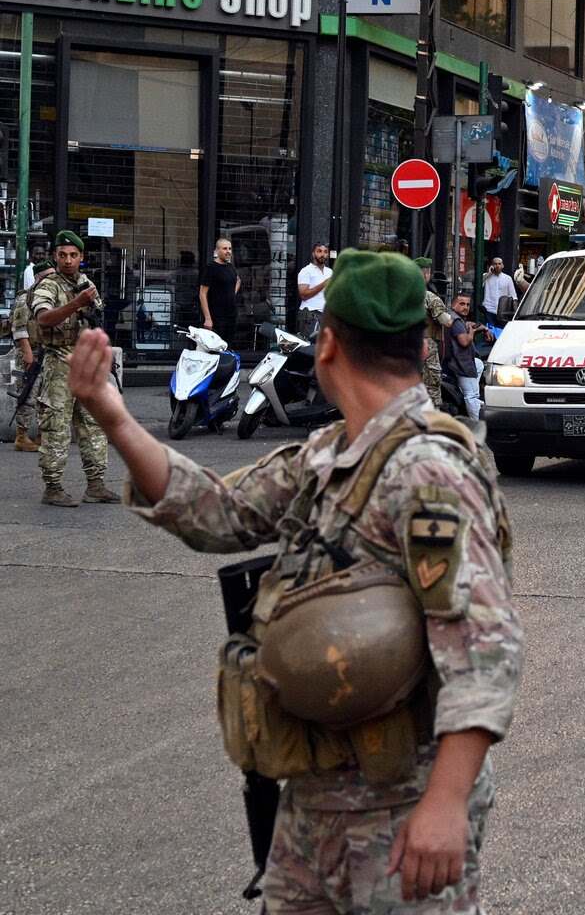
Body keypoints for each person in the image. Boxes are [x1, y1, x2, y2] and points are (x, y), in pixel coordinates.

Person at [67, 249, 524, 914]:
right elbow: (221, 513)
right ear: (418, 343)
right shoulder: (332, 452)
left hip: (400, 809)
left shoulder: (428, 470)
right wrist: (113, 414)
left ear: (329, 340)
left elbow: (485, 648)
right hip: (314, 800)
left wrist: (446, 805)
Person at [31, 231, 120, 507]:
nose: (68, 260)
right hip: (59, 363)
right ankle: (53, 488)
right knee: (56, 427)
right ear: (55, 257)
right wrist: (75, 304)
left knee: (93, 425)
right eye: (62, 255)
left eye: (73, 255)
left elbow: (96, 318)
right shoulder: (48, 286)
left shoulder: (85, 282)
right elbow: (44, 319)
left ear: (81, 258)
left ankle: (96, 485)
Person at [9, 259, 54, 451]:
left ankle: (42, 435)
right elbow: (18, 328)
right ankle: (22, 436)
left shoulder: (50, 297)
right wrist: (27, 352)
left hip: (47, 352)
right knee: (28, 392)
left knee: (47, 395)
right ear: (37, 277)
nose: (52, 280)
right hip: (30, 352)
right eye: (48, 276)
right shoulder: (25, 299)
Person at [414, 257, 454, 409]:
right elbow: (447, 321)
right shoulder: (430, 297)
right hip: (426, 344)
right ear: (426, 274)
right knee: (432, 382)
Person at [443, 292, 488, 420]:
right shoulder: (457, 321)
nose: (465, 307)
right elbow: (464, 342)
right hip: (461, 363)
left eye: (468, 304)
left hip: (461, 361)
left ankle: (471, 394)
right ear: (453, 305)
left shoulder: (455, 317)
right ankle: (478, 425)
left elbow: (467, 324)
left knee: (479, 364)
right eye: (461, 304)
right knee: (471, 396)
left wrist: (484, 328)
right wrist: (472, 334)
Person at [199, 239, 240, 345]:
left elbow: (238, 280)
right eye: (225, 248)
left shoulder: (231, 267)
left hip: (231, 316)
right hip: (216, 317)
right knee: (216, 349)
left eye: (230, 249)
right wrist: (208, 318)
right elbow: (202, 293)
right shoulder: (211, 268)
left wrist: (231, 293)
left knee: (228, 348)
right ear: (217, 250)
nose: (228, 251)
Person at [296, 242, 333, 340]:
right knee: (309, 348)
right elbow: (303, 294)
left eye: (325, 252)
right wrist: (323, 284)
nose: (322, 254)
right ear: (313, 253)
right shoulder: (306, 271)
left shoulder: (330, 272)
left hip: (325, 315)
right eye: (319, 251)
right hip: (310, 314)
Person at [482, 257, 515, 325]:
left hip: (503, 311)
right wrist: (489, 273)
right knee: (490, 332)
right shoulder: (486, 276)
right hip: (489, 309)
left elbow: (513, 295)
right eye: (495, 264)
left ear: (502, 265)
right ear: (492, 265)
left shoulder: (508, 278)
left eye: (499, 264)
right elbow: (478, 284)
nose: (497, 266)